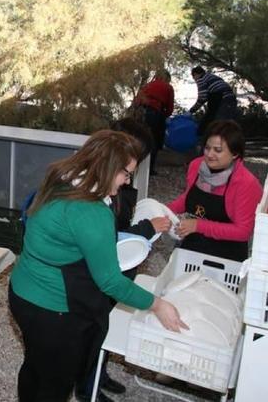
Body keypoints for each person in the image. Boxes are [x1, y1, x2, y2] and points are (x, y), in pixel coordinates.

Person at [9, 130, 187, 402]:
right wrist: (157, 304)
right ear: (108, 168)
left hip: (22, 292)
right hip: (53, 310)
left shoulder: (60, 180)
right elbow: (111, 282)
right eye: (126, 174)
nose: (127, 182)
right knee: (54, 383)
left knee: (35, 366)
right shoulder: (91, 211)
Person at [75, 119, 172, 402]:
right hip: (107, 270)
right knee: (93, 331)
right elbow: (106, 238)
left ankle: (98, 374)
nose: (130, 176)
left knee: (105, 328)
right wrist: (146, 228)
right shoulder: (93, 195)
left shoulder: (120, 187)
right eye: (127, 170)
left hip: (122, 264)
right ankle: (86, 387)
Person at [167, 120, 263, 262]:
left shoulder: (246, 183)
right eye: (207, 148)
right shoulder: (196, 166)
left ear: (235, 153)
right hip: (193, 245)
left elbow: (243, 232)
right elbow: (188, 197)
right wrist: (165, 211)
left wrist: (198, 225)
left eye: (218, 150)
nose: (210, 154)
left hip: (226, 255)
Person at [133, 71, 174, 175]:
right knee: (153, 140)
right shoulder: (168, 87)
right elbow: (169, 108)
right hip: (154, 113)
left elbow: (137, 100)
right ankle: (149, 169)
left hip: (140, 112)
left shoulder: (147, 85)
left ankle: (133, 166)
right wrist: (164, 116)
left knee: (139, 137)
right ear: (167, 78)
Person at [188, 66, 238, 136]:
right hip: (231, 98)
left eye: (193, 77)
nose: (194, 79)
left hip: (223, 100)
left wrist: (192, 110)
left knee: (219, 125)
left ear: (196, 74)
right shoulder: (211, 76)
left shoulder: (201, 79)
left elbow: (202, 97)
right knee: (229, 125)